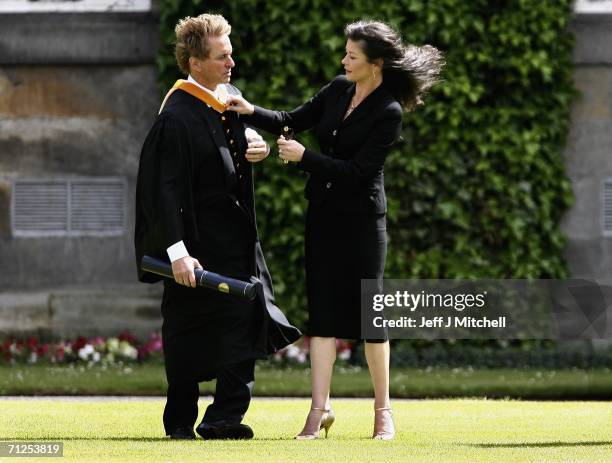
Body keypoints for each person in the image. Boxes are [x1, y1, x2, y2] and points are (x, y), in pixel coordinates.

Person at [227, 19, 444, 440]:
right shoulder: (337, 89)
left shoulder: (389, 112)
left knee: (371, 319)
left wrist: (305, 157)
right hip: (323, 216)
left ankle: (383, 414)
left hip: (363, 222)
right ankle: (318, 411)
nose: (344, 60)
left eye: (352, 55)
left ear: (375, 63)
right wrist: (252, 110)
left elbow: (361, 172)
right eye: (345, 52)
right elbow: (293, 118)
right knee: (322, 318)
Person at [134, 13, 301, 440]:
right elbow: (163, 190)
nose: (232, 63)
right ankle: (179, 421)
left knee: (246, 321)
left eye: (231, 54)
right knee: (188, 329)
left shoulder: (229, 98)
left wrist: (256, 147)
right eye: (222, 56)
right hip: (196, 245)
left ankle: (225, 417)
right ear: (195, 62)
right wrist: (177, 252)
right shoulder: (176, 116)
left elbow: (233, 148)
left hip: (237, 239)